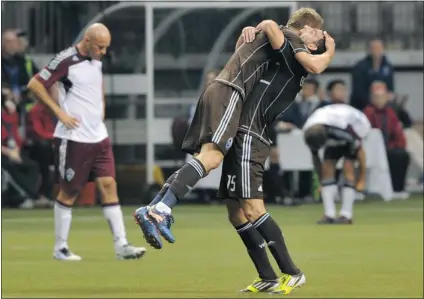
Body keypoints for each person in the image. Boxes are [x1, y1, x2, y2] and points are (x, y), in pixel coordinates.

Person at [134, 8, 333, 251]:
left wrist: (250, 31)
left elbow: (245, 50)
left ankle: (154, 206)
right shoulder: (289, 34)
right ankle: (161, 210)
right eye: (318, 34)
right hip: (230, 92)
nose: (320, 39)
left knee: (205, 157)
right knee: (213, 157)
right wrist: (329, 49)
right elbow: (308, 60)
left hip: (218, 89)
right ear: (306, 28)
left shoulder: (270, 39)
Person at [219, 25, 334, 293]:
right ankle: (268, 277)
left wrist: (261, 25)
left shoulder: (293, 59)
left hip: (251, 134)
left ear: (314, 47)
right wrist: (247, 31)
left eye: (314, 31)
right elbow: (241, 59)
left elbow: (271, 24)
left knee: (252, 207)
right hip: (240, 134)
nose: (306, 28)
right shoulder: (282, 56)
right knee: (234, 211)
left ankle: (292, 272)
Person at [27, 23, 146, 261]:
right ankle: (60, 247)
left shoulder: (97, 59)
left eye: (106, 47)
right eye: (100, 47)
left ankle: (121, 245)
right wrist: (59, 113)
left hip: (98, 136)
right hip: (73, 138)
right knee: (69, 192)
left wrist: (99, 107)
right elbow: (35, 84)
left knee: (109, 185)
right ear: (87, 41)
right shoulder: (65, 60)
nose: (103, 52)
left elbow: (95, 83)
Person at [303, 104, 371, 224]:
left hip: (357, 125)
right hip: (333, 123)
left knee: (348, 167)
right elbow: (316, 157)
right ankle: (329, 214)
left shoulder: (344, 132)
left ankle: (346, 214)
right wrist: (321, 180)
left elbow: (361, 153)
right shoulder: (308, 131)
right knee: (328, 167)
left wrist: (362, 178)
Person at [363, 81, 410, 198]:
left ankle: (398, 188)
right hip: (371, 149)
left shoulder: (390, 113)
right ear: (372, 98)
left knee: (402, 155)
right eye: (376, 97)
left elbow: (398, 133)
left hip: (388, 146)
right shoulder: (368, 112)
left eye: (382, 97)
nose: (379, 100)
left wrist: (395, 145)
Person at [1, 92, 41, 209]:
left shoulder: (9, 117)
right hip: (4, 153)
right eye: (8, 99)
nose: (11, 102)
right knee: (9, 166)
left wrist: (16, 150)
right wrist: (9, 152)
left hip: (12, 151)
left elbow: (15, 136)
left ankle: (27, 195)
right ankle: (28, 196)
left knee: (32, 166)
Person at [350, 38, 394, 111]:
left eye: (379, 48)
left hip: (383, 104)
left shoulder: (388, 66)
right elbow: (358, 92)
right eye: (374, 48)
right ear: (369, 50)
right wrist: (375, 99)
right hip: (362, 105)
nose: (377, 51)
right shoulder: (359, 68)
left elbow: (390, 89)